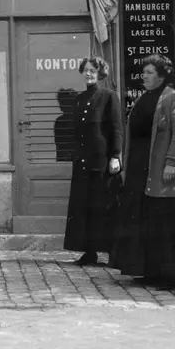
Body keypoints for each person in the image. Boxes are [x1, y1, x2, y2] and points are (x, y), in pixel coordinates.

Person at [111, 55, 175, 287]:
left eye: (150, 72)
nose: (144, 76)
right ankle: (147, 270)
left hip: (161, 168)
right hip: (139, 169)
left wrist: (171, 162)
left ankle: (169, 274)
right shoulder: (144, 98)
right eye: (144, 72)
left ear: (162, 76)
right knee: (143, 219)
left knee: (165, 221)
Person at [62, 57, 123, 267]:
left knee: (105, 207)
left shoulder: (108, 96)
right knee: (84, 207)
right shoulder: (79, 99)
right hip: (83, 161)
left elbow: (116, 128)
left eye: (92, 70)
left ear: (101, 73)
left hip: (102, 162)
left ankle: (113, 253)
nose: (88, 74)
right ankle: (89, 252)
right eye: (85, 70)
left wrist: (116, 155)